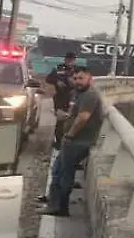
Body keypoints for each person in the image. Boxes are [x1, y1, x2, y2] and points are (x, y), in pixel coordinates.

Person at [40, 66, 101, 217]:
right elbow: (75, 115)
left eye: (81, 78)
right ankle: (55, 203)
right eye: (75, 78)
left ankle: (59, 207)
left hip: (78, 141)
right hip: (74, 139)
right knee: (58, 171)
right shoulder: (78, 94)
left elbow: (83, 117)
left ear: (89, 78)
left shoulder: (89, 95)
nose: (77, 81)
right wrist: (66, 116)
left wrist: (70, 135)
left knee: (63, 173)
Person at [45, 52, 78, 149]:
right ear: (65, 59)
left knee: (71, 119)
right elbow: (48, 78)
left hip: (73, 98)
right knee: (60, 120)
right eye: (68, 59)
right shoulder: (58, 68)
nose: (70, 61)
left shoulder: (77, 70)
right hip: (60, 98)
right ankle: (58, 142)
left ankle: (68, 141)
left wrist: (74, 82)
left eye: (72, 60)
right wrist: (57, 81)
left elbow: (84, 82)